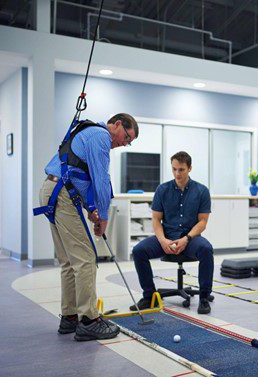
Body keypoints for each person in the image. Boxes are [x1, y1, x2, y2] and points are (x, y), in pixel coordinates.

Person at [38, 113, 138, 341]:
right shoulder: (101, 136)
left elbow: (79, 176)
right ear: (118, 124)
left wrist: (90, 208)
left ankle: (70, 317)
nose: (125, 142)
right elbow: (101, 180)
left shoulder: (89, 134)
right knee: (85, 259)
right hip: (61, 194)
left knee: (69, 261)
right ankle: (89, 320)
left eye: (130, 141)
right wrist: (103, 216)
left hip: (52, 191)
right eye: (127, 136)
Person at [131, 151, 214, 314]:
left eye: (181, 169)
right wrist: (162, 240)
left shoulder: (202, 191)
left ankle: (204, 297)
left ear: (190, 168)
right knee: (138, 251)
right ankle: (149, 297)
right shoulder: (162, 190)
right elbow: (156, 220)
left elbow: (203, 222)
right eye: (174, 169)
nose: (177, 173)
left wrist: (186, 238)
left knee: (206, 249)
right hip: (166, 237)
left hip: (190, 238)